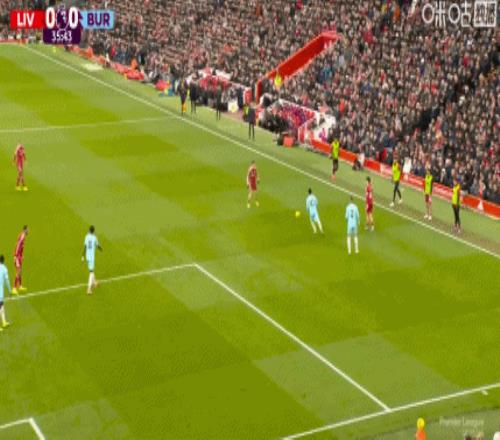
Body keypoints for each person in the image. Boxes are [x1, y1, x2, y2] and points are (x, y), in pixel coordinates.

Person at [82, 225, 103, 295]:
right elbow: (98, 245)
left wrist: (82, 256)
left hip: (87, 256)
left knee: (91, 270)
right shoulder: (94, 237)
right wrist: (101, 249)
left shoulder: (86, 236)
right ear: (94, 231)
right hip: (91, 257)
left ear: (89, 230)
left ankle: (94, 283)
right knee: (91, 272)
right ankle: (88, 289)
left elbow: (85, 246)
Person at [12, 225, 28, 295]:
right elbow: (18, 245)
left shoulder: (23, 236)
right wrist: (16, 256)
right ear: (24, 230)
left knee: (20, 271)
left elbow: (21, 247)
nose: (28, 231)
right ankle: (14, 288)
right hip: (17, 257)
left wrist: (21, 255)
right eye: (27, 229)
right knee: (18, 271)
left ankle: (20, 286)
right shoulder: (22, 236)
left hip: (19, 257)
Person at [0, 255, 12, 331]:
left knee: (1, 305)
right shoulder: (4, 268)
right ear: (4, 261)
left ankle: (4, 322)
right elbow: (7, 281)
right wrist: (10, 291)